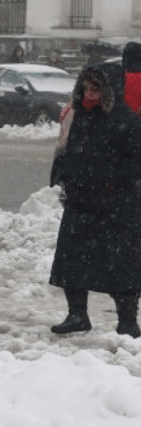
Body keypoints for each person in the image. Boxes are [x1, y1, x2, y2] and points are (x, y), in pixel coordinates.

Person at [48, 65, 141, 337]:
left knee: (121, 264)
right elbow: (71, 149)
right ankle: (77, 314)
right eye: (85, 88)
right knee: (72, 260)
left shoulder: (127, 122)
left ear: (109, 91)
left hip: (117, 207)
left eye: (95, 88)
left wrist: (112, 180)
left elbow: (137, 163)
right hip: (81, 203)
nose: (89, 94)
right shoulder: (81, 117)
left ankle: (127, 321)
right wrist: (65, 172)